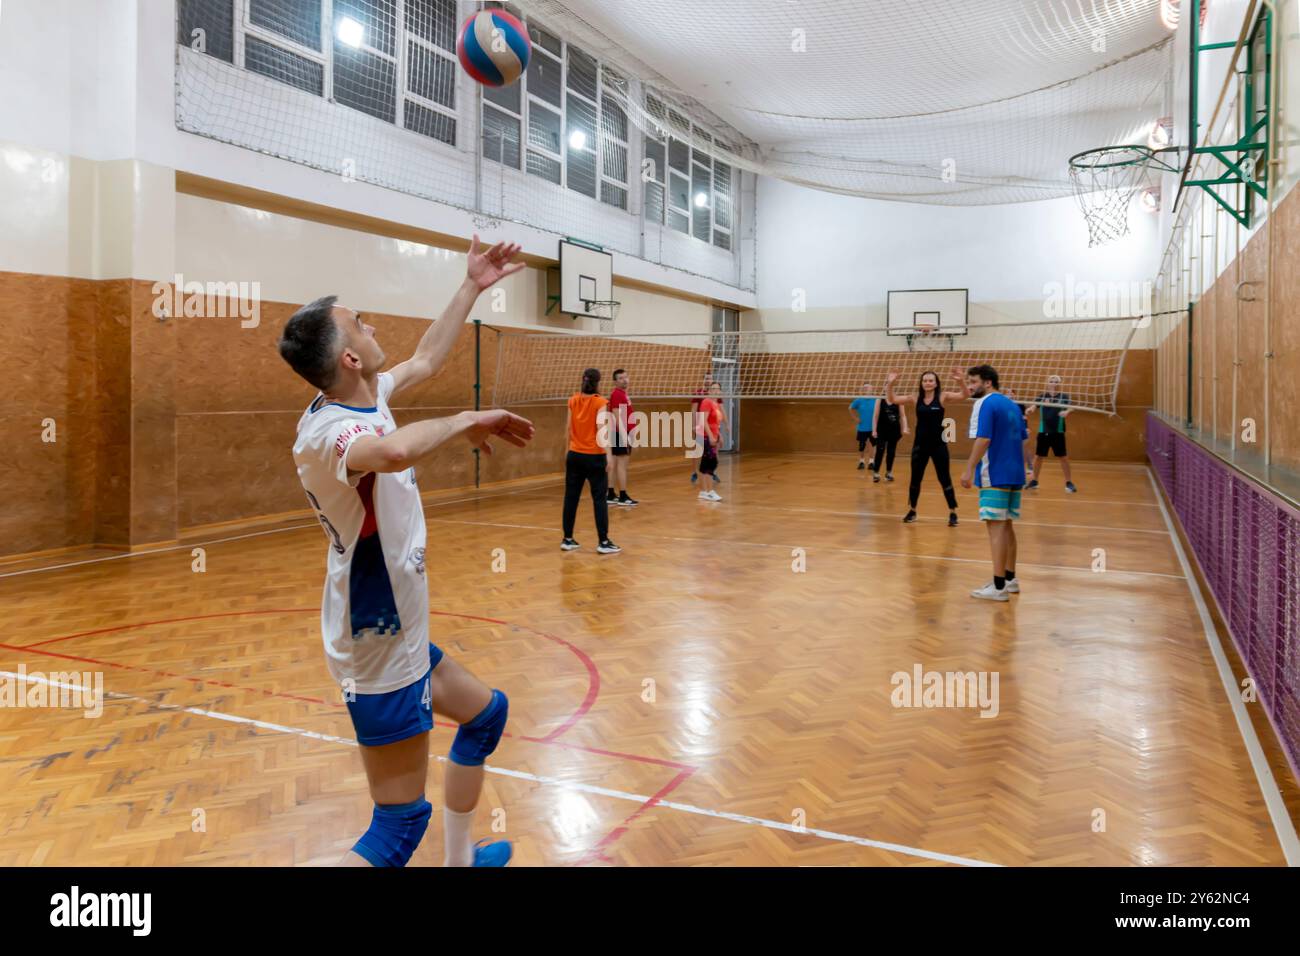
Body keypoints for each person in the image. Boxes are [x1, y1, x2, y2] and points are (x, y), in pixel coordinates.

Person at [278, 235, 534, 867]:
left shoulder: (366, 396)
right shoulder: (330, 433)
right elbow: (390, 454)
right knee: (396, 828)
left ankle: (460, 861)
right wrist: (467, 420)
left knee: (484, 718)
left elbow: (426, 358)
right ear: (350, 359)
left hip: (401, 630)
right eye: (358, 324)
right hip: (378, 637)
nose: (371, 325)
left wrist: (472, 285)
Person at [960, 364, 1028, 602]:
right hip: (1015, 473)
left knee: (996, 527)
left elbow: (984, 438)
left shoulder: (985, 403)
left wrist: (968, 468)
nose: (970, 386)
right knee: (1007, 525)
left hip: (995, 473)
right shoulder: (1012, 404)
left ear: (987, 382)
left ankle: (998, 587)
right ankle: (1010, 580)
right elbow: (1022, 440)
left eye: (974, 381)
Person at [885, 368, 968, 526]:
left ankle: (953, 512)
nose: (928, 383)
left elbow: (964, 395)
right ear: (921, 383)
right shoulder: (915, 398)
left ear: (936, 383)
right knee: (915, 479)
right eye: (925, 381)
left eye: (931, 380)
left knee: (944, 479)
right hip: (920, 446)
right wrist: (890, 384)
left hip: (939, 445)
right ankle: (912, 510)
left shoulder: (943, 396)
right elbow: (893, 399)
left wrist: (960, 381)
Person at [562, 368, 621, 554]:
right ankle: (603, 542)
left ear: (583, 380)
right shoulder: (600, 402)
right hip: (594, 457)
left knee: (571, 498)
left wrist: (567, 452)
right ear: (598, 382)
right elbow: (601, 428)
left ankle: (567, 539)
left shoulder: (572, 400)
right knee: (599, 499)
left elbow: (568, 428)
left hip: (574, 455)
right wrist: (609, 455)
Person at [1025, 375, 1077, 493]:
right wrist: (1030, 410)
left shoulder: (1064, 397)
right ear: (1047, 383)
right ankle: (1034, 481)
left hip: (1058, 432)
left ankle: (1069, 482)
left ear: (1059, 384)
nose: (1053, 383)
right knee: (1038, 457)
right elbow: (1034, 406)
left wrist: (1067, 411)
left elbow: (1072, 407)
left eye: (1056, 381)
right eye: (1051, 381)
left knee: (1063, 457)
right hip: (1044, 431)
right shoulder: (1042, 396)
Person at [605, 368, 638, 506]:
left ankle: (611, 494)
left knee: (615, 464)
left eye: (626, 377)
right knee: (621, 466)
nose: (625, 380)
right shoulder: (617, 394)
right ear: (615, 382)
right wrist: (625, 436)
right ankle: (623, 496)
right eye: (620, 378)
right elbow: (617, 416)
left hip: (618, 433)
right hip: (619, 434)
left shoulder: (622, 394)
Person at [696, 381, 725, 501]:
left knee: (706, 464)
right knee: (711, 463)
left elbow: (716, 423)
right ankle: (709, 491)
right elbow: (704, 421)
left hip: (712, 435)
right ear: (709, 390)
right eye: (713, 389)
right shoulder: (706, 402)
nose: (715, 391)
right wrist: (710, 436)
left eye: (717, 389)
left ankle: (703, 492)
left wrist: (719, 435)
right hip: (705, 437)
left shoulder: (716, 404)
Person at [870, 394, 907, 483]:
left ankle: (889, 472)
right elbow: (875, 415)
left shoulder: (899, 399)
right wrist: (874, 430)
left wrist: (905, 427)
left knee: (891, 452)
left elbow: (902, 416)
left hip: (894, 430)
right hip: (882, 430)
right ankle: (876, 473)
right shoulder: (880, 399)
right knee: (880, 450)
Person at [690, 374, 715, 484]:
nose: (708, 380)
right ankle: (695, 472)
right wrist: (693, 426)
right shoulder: (699, 393)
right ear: (703, 380)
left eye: (710, 379)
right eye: (706, 378)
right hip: (700, 423)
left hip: (711, 424)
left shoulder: (714, 395)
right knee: (698, 450)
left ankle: (711, 472)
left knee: (712, 450)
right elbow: (693, 410)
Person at [848, 384, 876, 470]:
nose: (867, 389)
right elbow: (850, 408)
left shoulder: (876, 400)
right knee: (862, 444)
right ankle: (861, 461)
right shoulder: (859, 400)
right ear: (863, 390)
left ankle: (871, 462)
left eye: (869, 388)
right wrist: (855, 418)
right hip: (862, 427)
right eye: (865, 388)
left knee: (872, 444)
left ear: (872, 389)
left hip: (873, 427)